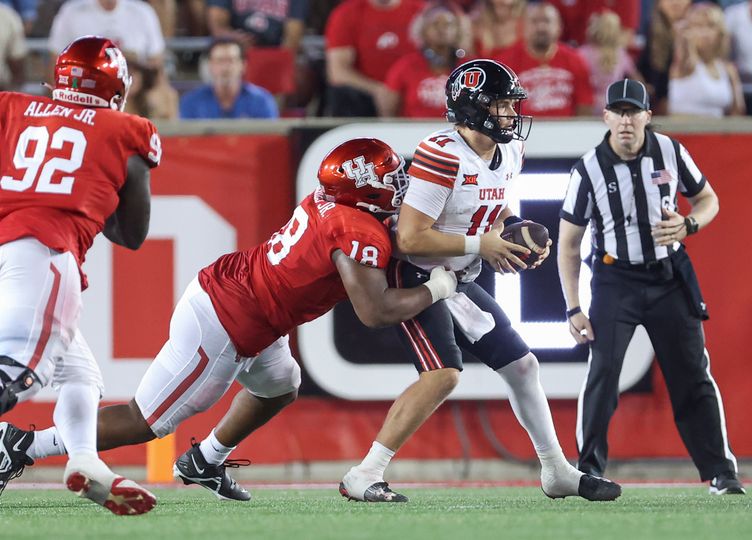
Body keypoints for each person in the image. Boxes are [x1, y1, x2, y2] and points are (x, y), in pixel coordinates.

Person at [0, 138, 459, 502]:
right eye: (389, 177)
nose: (399, 184)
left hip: (246, 303)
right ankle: (20, 446)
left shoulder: (334, 204)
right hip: (226, 321)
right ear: (364, 188)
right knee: (146, 421)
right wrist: (436, 289)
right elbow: (375, 310)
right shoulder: (356, 228)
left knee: (281, 384)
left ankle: (205, 459)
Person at [339, 59, 622, 503]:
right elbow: (411, 236)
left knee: (523, 367)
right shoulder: (442, 153)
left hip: (457, 274)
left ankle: (556, 471)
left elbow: (493, 209)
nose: (512, 112)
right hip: (417, 274)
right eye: (504, 103)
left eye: (512, 103)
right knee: (443, 375)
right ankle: (363, 473)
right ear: (473, 107)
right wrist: (481, 246)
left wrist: (516, 232)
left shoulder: (508, 150)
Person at [557, 78, 744, 496]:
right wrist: (573, 307)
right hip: (614, 278)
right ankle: (589, 469)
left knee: (693, 374)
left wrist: (689, 223)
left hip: (668, 275)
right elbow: (568, 243)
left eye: (633, 112)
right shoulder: (588, 168)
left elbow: (708, 199)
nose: (625, 121)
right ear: (605, 116)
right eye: (618, 112)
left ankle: (720, 471)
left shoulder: (670, 151)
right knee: (603, 374)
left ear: (647, 115)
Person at [0, 36, 161, 514]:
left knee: (82, 376)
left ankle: (85, 461)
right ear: (117, 90)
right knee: (13, 379)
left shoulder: (11, 107)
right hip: (42, 254)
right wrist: (92, 189)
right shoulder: (126, 130)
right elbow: (132, 234)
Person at [324, 0, 425, 117]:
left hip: (412, 91)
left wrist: (396, 92)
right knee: (342, 93)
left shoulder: (421, 12)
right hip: (366, 96)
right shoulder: (347, 13)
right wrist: (377, 90)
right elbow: (337, 72)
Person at [497, 3, 594, 118]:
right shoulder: (506, 63)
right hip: (523, 131)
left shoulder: (575, 59)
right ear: (523, 27)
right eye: (534, 21)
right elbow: (499, 106)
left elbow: (585, 105)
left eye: (547, 21)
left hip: (567, 131)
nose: (541, 27)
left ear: (559, 27)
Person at [378, 2, 471, 118]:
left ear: (458, 30)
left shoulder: (468, 68)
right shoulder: (405, 65)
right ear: (423, 30)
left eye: (448, 24)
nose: (441, 29)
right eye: (435, 24)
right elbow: (387, 109)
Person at [667, 3, 745, 118]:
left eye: (710, 26)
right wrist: (681, 37)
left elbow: (738, 112)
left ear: (720, 32)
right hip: (685, 132)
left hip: (717, 132)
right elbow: (683, 53)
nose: (704, 32)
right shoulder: (685, 63)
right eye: (698, 26)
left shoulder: (728, 70)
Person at [179, 38, 279, 120]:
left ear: (243, 65)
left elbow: (270, 139)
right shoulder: (191, 102)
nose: (225, 68)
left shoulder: (262, 100)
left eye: (231, 61)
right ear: (210, 65)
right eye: (220, 61)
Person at [48, 0, 166, 67]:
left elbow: (156, 61)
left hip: (134, 92)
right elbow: (56, 60)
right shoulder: (71, 11)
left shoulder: (143, 12)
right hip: (85, 89)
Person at [578, 11, 642, 115]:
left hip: (589, 108)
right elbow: (638, 81)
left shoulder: (582, 53)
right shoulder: (621, 54)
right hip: (615, 106)